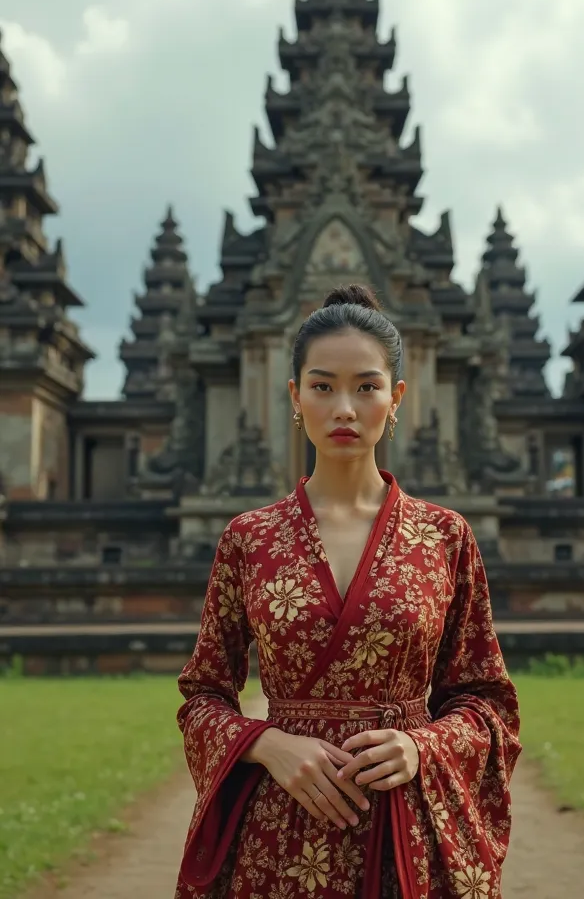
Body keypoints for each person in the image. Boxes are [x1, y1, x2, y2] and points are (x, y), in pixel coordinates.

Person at [174, 284, 521, 899]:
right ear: (294, 397)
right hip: (281, 837)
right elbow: (203, 694)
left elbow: (485, 700)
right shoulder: (249, 539)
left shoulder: (444, 536)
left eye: (366, 386)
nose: (344, 408)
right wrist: (266, 744)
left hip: (409, 828)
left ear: (397, 400)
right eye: (323, 386)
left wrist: (422, 746)